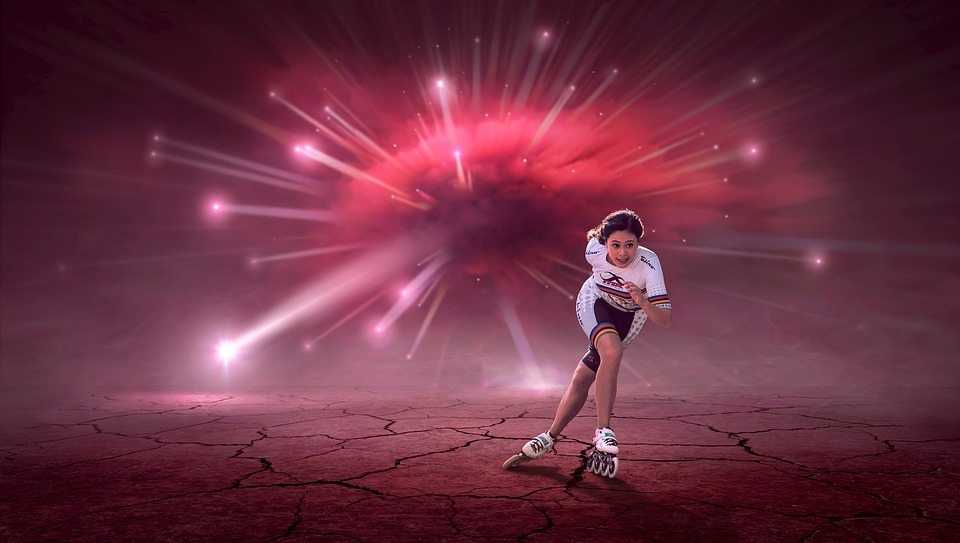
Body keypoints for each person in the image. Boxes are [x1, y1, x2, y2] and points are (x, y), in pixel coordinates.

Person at [520, 209, 672, 463]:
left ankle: (549, 437)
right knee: (612, 351)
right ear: (604, 244)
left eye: (630, 245)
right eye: (615, 245)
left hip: (630, 315)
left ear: (639, 243)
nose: (623, 253)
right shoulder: (593, 250)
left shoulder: (649, 265)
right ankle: (604, 431)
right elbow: (596, 241)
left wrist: (643, 301)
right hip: (595, 301)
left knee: (582, 378)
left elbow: (665, 319)